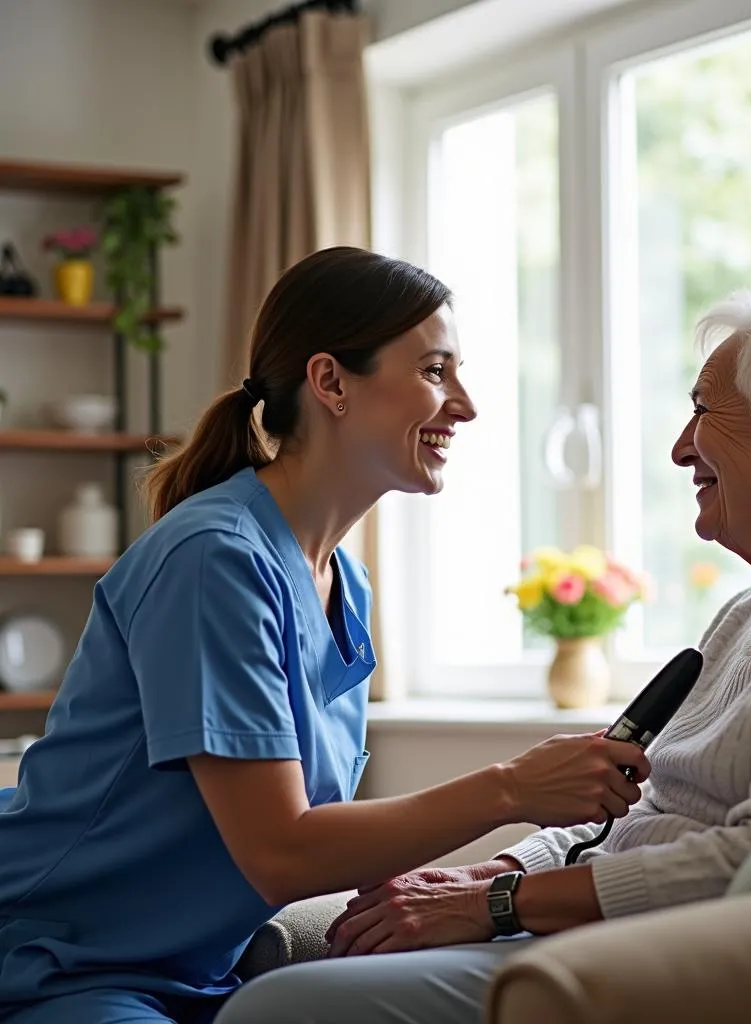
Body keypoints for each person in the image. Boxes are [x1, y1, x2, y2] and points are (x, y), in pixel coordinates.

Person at [213, 271, 751, 1024]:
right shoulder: (747, 613)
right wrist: (498, 869)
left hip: (663, 961)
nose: (682, 450)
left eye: (705, 412)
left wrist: (497, 902)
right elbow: (630, 813)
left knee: (277, 1011)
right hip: (596, 931)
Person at [0, 247, 651, 1024]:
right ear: (331, 382)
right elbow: (281, 851)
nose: (466, 404)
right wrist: (512, 789)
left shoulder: (344, 582)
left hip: (199, 973)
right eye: (436, 371)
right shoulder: (214, 558)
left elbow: (314, 837)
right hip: (53, 961)